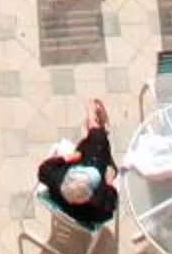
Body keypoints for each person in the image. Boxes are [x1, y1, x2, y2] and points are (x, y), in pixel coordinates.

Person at [36, 96, 118, 228]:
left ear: (67, 177)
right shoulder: (99, 206)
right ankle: (95, 126)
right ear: (91, 194)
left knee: (91, 148)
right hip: (95, 161)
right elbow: (109, 211)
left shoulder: (53, 177)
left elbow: (43, 168)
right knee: (101, 150)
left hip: (64, 203)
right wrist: (108, 183)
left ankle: (91, 129)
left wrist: (68, 158)